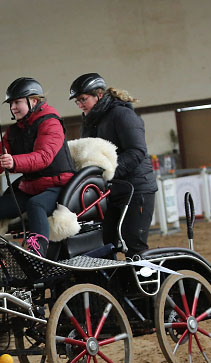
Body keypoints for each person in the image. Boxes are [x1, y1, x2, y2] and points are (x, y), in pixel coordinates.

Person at [0, 77, 75, 257]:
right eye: (11, 103)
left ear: (34, 101)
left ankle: (38, 252)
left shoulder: (50, 122)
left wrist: (15, 162)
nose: (13, 107)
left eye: (17, 102)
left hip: (58, 186)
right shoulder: (13, 131)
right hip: (32, 187)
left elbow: (44, 157)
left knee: (35, 204)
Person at [69, 73, 157, 256]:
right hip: (112, 191)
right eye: (77, 101)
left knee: (133, 241)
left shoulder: (122, 115)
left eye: (83, 99)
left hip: (137, 189)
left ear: (99, 95)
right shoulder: (88, 121)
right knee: (106, 241)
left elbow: (137, 151)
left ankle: (145, 283)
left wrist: (109, 172)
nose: (80, 104)